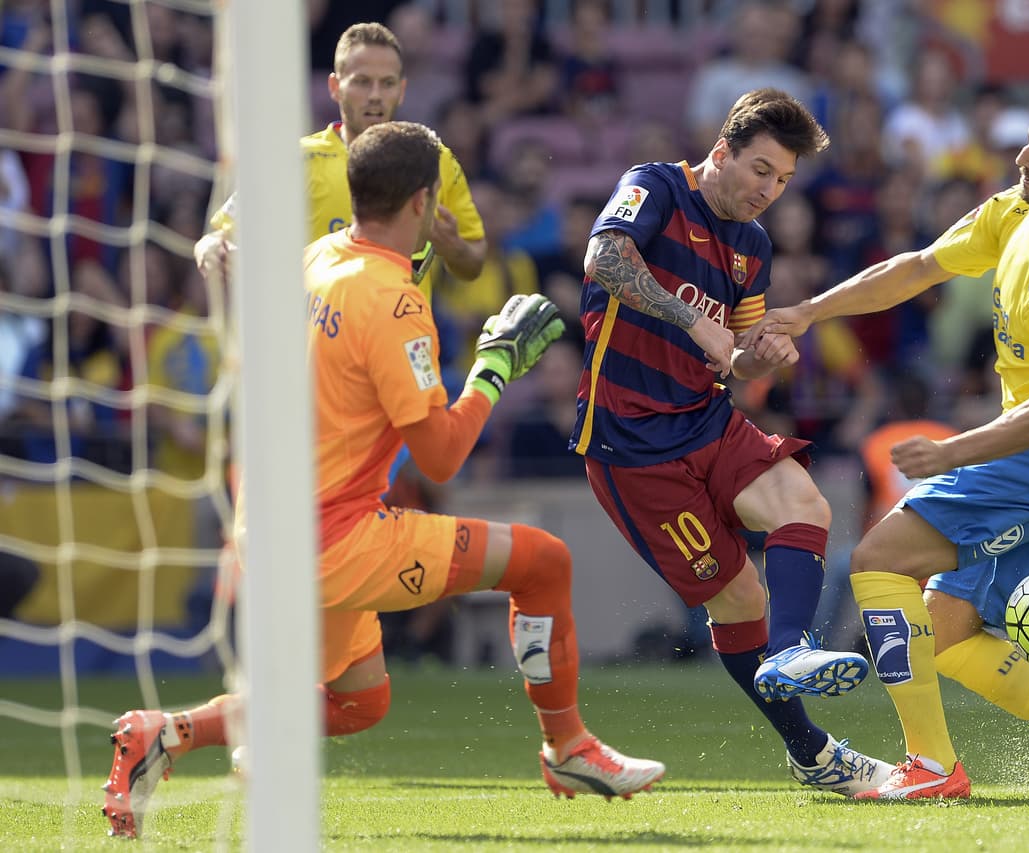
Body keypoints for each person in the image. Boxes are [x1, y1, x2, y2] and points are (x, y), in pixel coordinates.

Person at [102, 122, 664, 839]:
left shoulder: (318, 256)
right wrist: (494, 367)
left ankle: (162, 731)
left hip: (270, 523)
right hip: (339, 537)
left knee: (360, 701)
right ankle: (569, 747)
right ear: (425, 201)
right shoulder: (396, 305)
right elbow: (439, 459)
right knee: (544, 561)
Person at [743, 84, 1029, 800]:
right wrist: (811, 310)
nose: (1025, 157)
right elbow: (916, 268)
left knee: (877, 559)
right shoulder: (1013, 212)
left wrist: (952, 452)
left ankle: (932, 769)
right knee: (952, 631)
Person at [570, 87, 894, 797]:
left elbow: (735, 357)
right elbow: (603, 259)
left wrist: (760, 357)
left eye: (781, 180)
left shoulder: (752, 244)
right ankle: (811, 749)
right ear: (721, 153)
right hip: (631, 443)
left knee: (805, 503)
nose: (767, 191)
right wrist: (692, 320)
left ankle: (791, 649)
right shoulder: (654, 186)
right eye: (759, 170)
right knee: (740, 597)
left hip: (707, 417)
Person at [194, 22, 486, 288]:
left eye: (387, 83)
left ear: (402, 90)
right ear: (335, 87)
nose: (375, 95)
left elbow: (473, 263)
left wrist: (452, 247)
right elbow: (217, 237)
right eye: (362, 82)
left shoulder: (434, 159)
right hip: (314, 341)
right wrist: (211, 250)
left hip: (403, 340)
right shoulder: (296, 160)